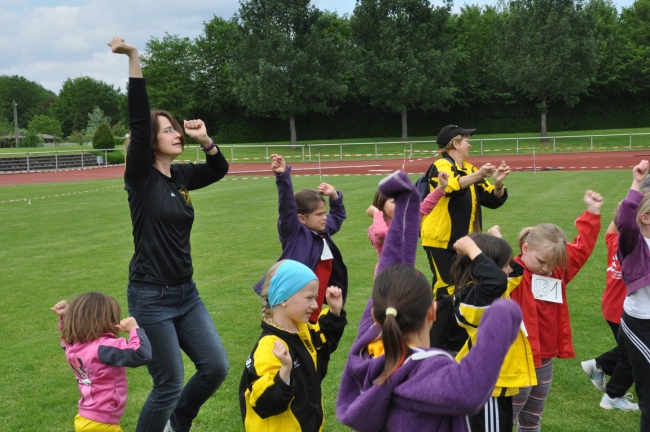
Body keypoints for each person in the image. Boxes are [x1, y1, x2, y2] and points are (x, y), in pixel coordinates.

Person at [336, 170, 522, 432]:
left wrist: (406, 204)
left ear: (374, 316)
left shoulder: (367, 349)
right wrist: (504, 314)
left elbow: (392, 264)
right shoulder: (423, 370)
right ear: (432, 311)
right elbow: (468, 393)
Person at [108, 37, 229, 432]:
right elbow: (139, 121)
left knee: (215, 368)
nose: (176, 133)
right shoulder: (140, 177)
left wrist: (205, 142)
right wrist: (133, 58)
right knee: (168, 383)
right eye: (167, 130)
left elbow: (218, 169)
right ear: (150, 143)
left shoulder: (179, 175)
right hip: (151, 296)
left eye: (176, 128)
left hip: (185, 293)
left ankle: (177, 424)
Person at [509, 190, 603, 431]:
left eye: (553, 265)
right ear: (526, 248)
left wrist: (592, 212)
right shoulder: (509, 273)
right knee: (506, 417)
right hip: (516, 360)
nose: (547, 270)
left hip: (545, 360)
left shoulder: (557, 273)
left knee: (532, 418)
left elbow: (581, 250)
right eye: (542, 262)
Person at [420, 124, 510, 351]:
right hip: (441, 241)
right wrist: (479, 175)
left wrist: (498, 183)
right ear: (455, 143)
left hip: (467, 244)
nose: (470, 144)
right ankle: (435, 346)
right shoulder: (440, 165)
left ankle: (455, 341)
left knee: (462, 287)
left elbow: (492, 198)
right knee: (446, 289)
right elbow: (451, 186)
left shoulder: (470, 168)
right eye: (467, 139)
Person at [240, 260, 347, 431]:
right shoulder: (270, 346)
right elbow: (263, 403)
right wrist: (284, 371)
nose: (315, 304)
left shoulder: (302, 330)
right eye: (309, 298)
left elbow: (323, 347)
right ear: (284, 298)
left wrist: (334, 313)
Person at [451, 234, 537, 432]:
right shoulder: (472, 297)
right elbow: (497, 280)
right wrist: (474, 250)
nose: (509, 268)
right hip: (486, 387)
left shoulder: (491, 292)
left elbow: (515, 273)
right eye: (505, 264)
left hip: (496, 385)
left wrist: (497, 243)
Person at [253, 154, 347, 323]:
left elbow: (338, 217)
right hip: (295, 303)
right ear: (301, 218)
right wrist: (283, 177)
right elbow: (287, 206)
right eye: (318, 214)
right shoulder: (294, 234)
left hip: (313, 306)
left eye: (324, 213)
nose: (324, 218)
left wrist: (334, 197)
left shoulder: (322, 230)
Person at [51, 292, 152, 432]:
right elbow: (141, 354)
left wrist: (66, 316)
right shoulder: (104, 347)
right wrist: (135, 330)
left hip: (85, 419)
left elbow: (66, 335)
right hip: (101, 424)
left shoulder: (72, 346)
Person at [581, 204, 637, 411]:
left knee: (630, 349)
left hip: (612, 307)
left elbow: (610, 230)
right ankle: (613, 396)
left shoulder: (614, 240)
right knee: (633, 355)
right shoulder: (636, 246)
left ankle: (599, 365)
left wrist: (624, 209)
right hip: (625, 309)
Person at [617, 160, 650, 431]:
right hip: (640, 324)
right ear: (646, 217)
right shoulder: (633, 243)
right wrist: (637, 183)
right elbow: (626, 221)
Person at [366, 171, 448, 264]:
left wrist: (442, 187)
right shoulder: (374, 229)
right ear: (382, 204)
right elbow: (382, 233)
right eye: (394, 202)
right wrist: (376, 213)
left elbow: (425, 206)